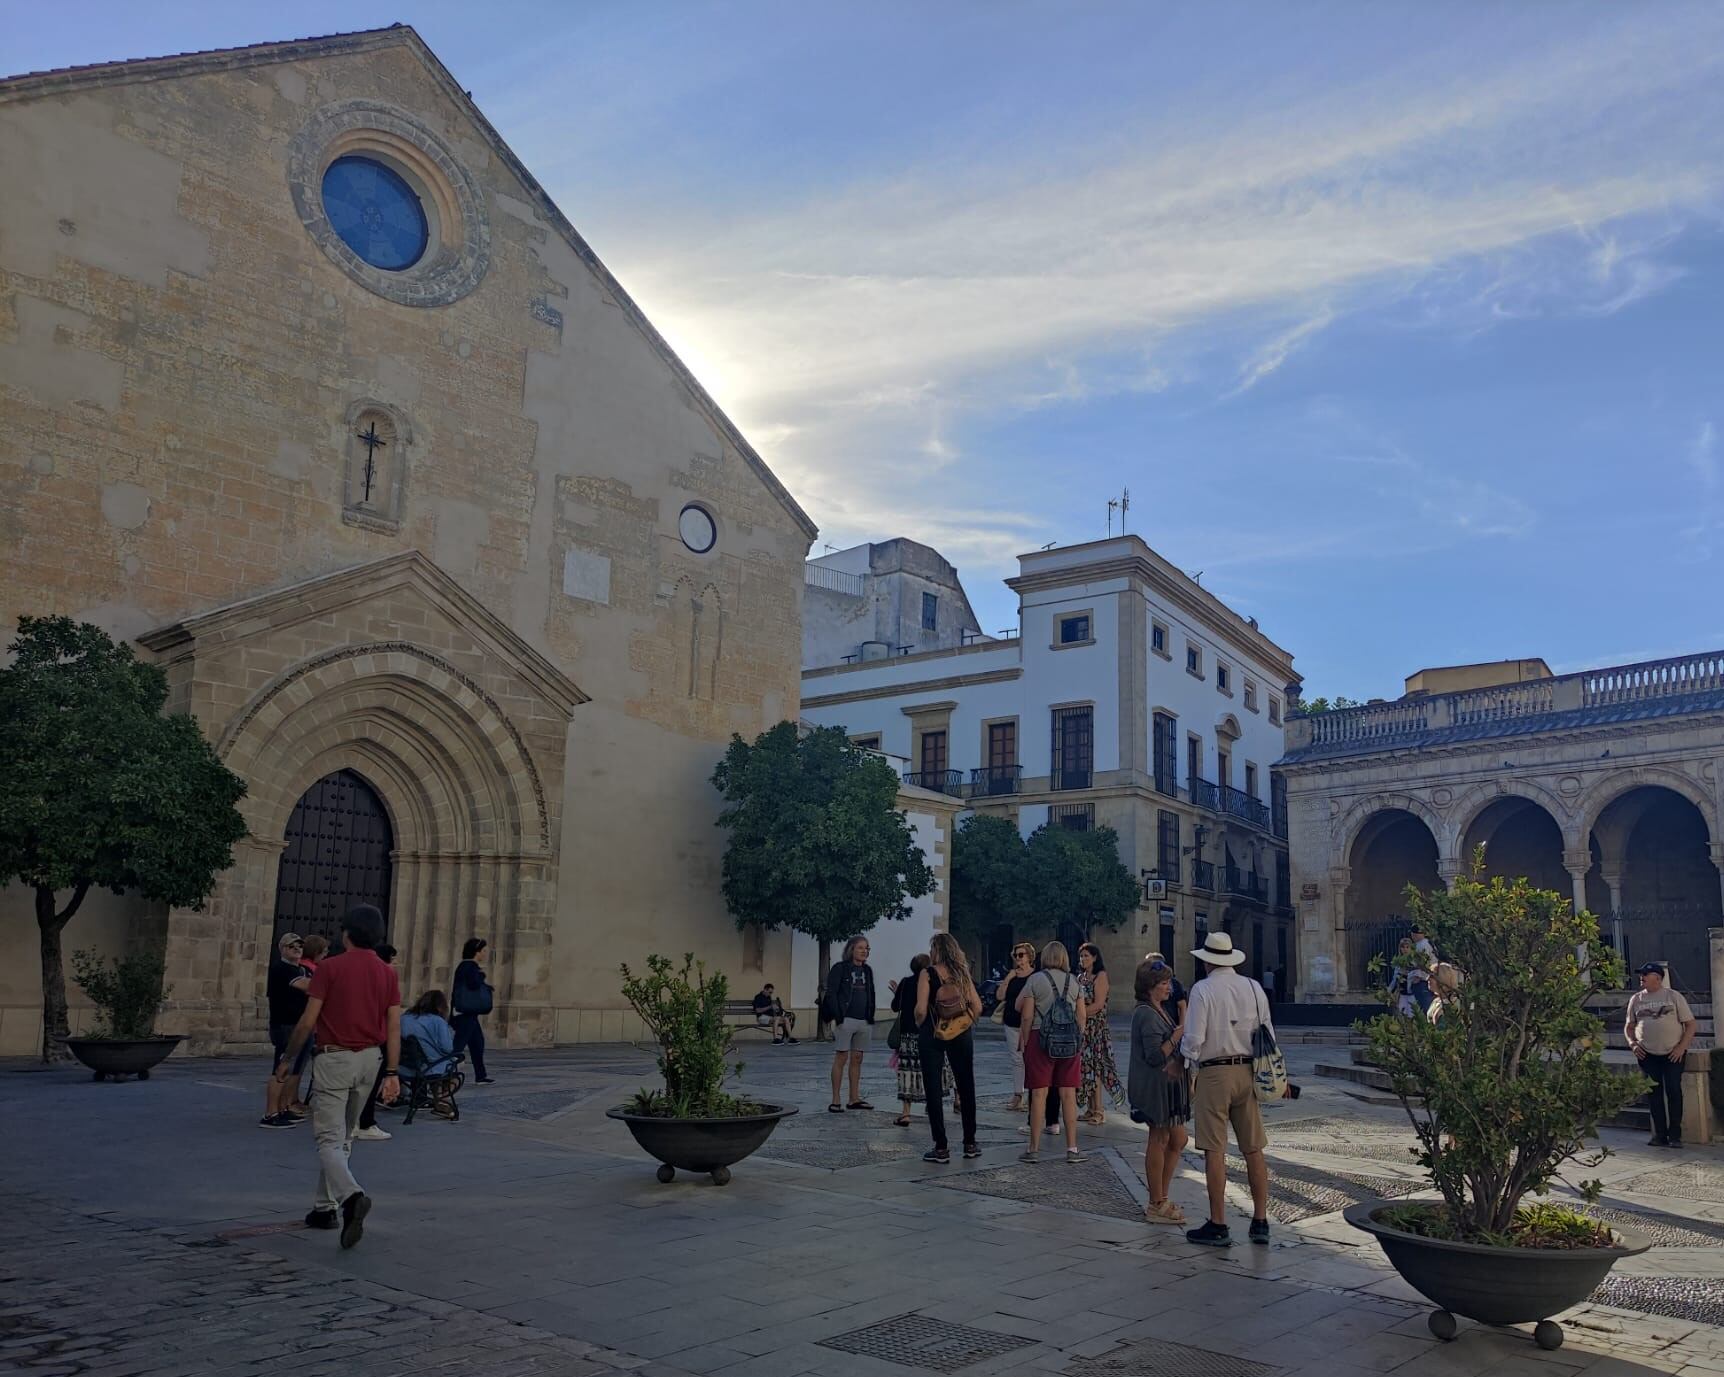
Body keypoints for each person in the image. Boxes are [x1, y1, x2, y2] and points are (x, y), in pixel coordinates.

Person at [274, 904, 401, 1250]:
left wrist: (286, 1059)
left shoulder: (330, 969)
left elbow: (307, 1021)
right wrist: (392, 1072)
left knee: (328, 1140)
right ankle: (324, 1208)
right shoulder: (387, 973)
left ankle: (351, 1196)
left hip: (335, 1058)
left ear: (345, 933)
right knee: (345, 1137)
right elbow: (393, 1024)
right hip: (370, 1061)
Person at [1180, 932, 1275, 1247]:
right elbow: (1267, 1032)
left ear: (1207, 960)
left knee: (1215, 1149)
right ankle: (1260, 1220)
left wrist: (1187, 1068)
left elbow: (1194, 1038)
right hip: (1248, 1070)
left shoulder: (1202, 990)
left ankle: (1218, 1222)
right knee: (1253, 1148)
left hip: (1215, 1073)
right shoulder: (1254, 987)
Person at [1129, 958, 1189, 1224]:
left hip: (1168, 1086)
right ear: (1151, 986)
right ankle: (1156, 1203)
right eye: (1164, 983)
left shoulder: (1159, 1008)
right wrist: (1177, 1036)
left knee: (1178, 1139)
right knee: (1159, 1138)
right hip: (1154, 1087)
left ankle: (1161, 1196)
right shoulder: (1145, 1013)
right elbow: (1155, 1056)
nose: (1169, 988)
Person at [914, 932, 983, 1164]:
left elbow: (921, 1009)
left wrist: (918, 1021)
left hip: (933, 1032)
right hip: (961, 1033)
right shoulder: (961, 973)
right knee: (966, 1085)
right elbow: (978, 1005)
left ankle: (941, 1146)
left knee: (932, 1088)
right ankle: (970, 1143)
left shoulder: (927, 973)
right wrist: (966, 1020)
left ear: (937, 950)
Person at [1018, 941, 1088, 1164]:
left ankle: (1034, 1148)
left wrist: (1025, 1040)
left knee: (1039, 1094)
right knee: (1068, 1095)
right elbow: (1082, 1016)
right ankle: (1072, 1148)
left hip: (1041, 1038)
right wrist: (1077, 1037)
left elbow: (1027, 1015)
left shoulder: (1036, 980)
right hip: (1069, 1042)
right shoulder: (1075, 981)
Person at [1626, 962, 1697, 1148]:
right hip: (1647, 1054)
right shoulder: (1636, 999)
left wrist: (1681, 1047)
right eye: (1641, 974)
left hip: (1673, 1053)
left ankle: (1675, 1136)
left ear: (1657, 977)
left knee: (1673, 1091)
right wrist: (1633, 1044)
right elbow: (1629, 1027)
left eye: (1645, 974)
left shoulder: (1673, 996)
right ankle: (1659, 1135)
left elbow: (1690, 1025)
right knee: (1653, 1094)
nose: (1641, 977)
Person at [889, 955, 947, 1125]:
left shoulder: (905, 982)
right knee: (931, 1069)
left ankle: (906, 1113)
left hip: (907, 1034)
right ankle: (932, 1104)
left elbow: (895, 1007)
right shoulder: (933, 982)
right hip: (927, 1031)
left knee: (908, 1071)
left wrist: (897, 993)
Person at [262, 933, 312, 1128]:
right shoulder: (282, 969)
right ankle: (270, 1113)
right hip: (285, 1025)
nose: (297, 949)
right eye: (292, 947)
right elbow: (306, 986)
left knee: (290, 1068)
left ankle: (283, 1108)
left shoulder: (298, 968)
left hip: (296, 1024)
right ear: (282, 949)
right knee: (280, 1068)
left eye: (300, 946)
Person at [354, 942, 402, 1141]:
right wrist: (393, 1071)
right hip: (377, 1034)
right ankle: (365, 1122)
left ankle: (351, 1122)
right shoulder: (386, 974)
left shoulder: (359, 973)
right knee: (370, 1082)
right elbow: (392, 1018)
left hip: (356, 1034)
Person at [825, 936, 877, 1112]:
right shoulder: (840, 968)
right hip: (846, 1019)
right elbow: (831, 993)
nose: (865, 951)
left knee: (857, 1058)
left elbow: (871, 992)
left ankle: (854, 1098)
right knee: (841, 1057)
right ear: (851, 950)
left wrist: (870, 1015)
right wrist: (838, 1016)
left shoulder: (868, 970)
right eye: (861, 948)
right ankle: (836, 1099)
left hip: (864, 1020)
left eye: (867, 948)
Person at [1077, 943, 1125, 1124]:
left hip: (1096, 1029)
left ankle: (1099, 1110)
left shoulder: (1101, 976)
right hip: (1083, 1028)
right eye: (1081, 956)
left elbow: (1098, 1004)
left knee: (1096, 1068)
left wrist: (1079, 1013)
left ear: (1095, 958)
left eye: (1086, 956)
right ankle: (1090, 1108)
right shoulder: (1080, 978)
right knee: (1085, 1069)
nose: (1083, 959)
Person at [400, 990, 462, 1117]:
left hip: (403, 1067)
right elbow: (448, 1048)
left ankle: (407, 1094)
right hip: (427, 1067)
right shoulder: (437, 1021)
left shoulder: (404, 1018)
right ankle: (440, 1100)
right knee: (455, 1064)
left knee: (436, 1063)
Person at [451, 937, 494, 1084]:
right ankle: (445, 1072)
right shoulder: (469, 966)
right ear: (477, 952)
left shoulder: (466, 966)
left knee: (477, 1042)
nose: (485, 954)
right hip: (465, 1013)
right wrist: (482, 975)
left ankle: (480, 1075)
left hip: (468, 1012)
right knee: (458, 1045)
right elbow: (474, 984)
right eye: (483, 951)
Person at [1000, 943, 1036, 1112]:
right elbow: (1000, 996)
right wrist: (1008, 978)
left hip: (1029, 1023)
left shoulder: (1036, 976)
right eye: (1016, 955)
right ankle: (1018, 1094)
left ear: (1029, 956)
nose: (1018, 958)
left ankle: (1033, 1094)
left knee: (1030, 1059)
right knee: (1016, 1059)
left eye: (1021, 955)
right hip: (1011, 1023)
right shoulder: (1012, 976)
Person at [1408, 926, 1437, 1014]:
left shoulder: (1422, 945)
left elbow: (1422, 963)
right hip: (1426, 979)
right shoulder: (1425, 943)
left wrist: (1418, 976)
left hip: (1422, 981)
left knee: (1426, 1008)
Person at [1388, 937, 1416, 1016]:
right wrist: (1389, 990)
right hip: (1402, 994)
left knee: (1413, 1015)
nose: (1405, 949)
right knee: (1402, 1015)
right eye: (1403, 947)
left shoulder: (1415, 962)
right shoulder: (1398, 962)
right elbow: (1394, 979)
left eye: (1407, 947)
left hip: (1412, 993)